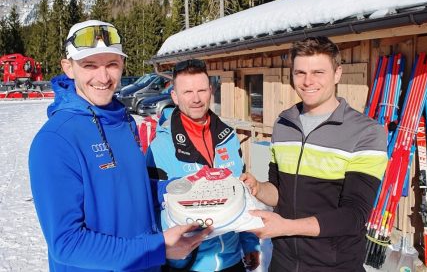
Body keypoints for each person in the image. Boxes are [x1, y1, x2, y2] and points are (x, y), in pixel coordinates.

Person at [28, 20, 211, 272]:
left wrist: (182, 187)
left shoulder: (125, 121)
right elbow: (67, 244)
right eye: (89, 65)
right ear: (68, 68)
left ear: (122, 64)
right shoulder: (55, 141)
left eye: (112, 64)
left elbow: (130, 187)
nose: (103, 77)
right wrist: (157, 248)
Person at [241, 36, 388, 271]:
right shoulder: (284, 124)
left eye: (318, 72)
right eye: (300, 73)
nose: (308, 81)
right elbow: (280, 193)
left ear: (337, 73)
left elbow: (354, 215)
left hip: (334, 264)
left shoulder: (366, 132)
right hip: (284, 262)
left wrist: (286, 227)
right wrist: (258, 188)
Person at [146, 59, 261, 272]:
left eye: (201, 90)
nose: (196, 99)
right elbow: (150, 207)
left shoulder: (229, 137)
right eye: (187, 92)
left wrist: (249, 242)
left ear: (211, 90)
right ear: (174, 96)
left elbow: (241, 195)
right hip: (188, 263)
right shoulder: (160, 146)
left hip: (231, 260)